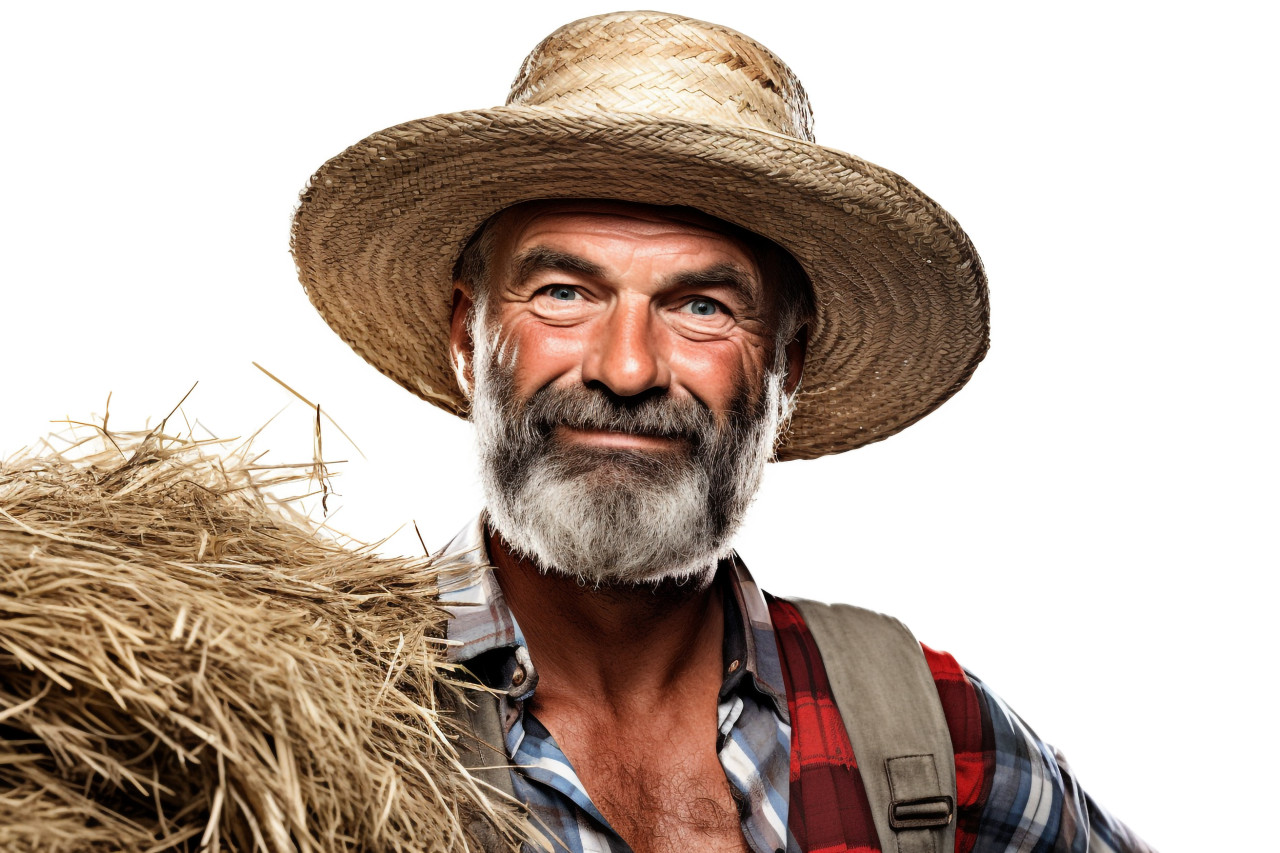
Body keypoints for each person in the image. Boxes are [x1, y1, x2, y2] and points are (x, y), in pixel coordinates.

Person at [292, 11, 1153, 853]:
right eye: (563, 292)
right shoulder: (307, 709)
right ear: (467, 337)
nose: (626, 370)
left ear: (789, 367)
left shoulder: (931, 727)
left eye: (702, 306)